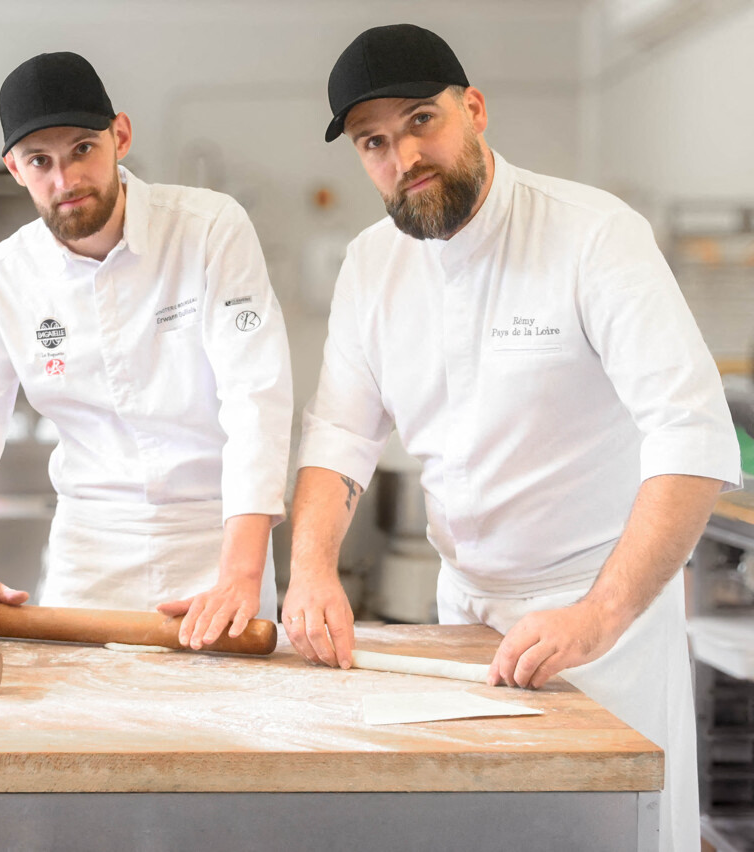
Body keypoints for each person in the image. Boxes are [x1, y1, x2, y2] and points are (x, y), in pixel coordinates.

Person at [284, 24, 741, 852]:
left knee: (612, 834)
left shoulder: (592, 235)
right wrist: (311, 568)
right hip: (465, 619)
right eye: (374, 142)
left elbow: (691, 432)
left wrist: (597, 616)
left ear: (475, 109)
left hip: (603, 621)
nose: (403, 156)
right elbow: (341, 433)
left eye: (422, 120)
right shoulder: (370, 266)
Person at [0, 52, 292, 649]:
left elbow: (255, 397)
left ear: (121, 136)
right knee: (78, 704)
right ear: (15, 169)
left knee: (227, 705)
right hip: (88, 549)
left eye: (83, 149)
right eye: (40, 161)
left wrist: (241, 574)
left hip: (218, 535)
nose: (65, 181)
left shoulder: (208, 228)